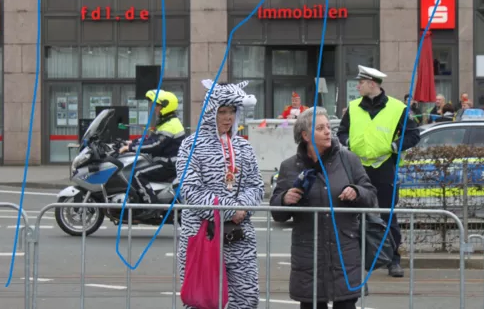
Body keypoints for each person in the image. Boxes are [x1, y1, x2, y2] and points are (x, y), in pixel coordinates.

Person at [270, 107, 377, 309]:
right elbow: (277, 213)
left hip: (344, 250)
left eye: (328, 127)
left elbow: (370, 195)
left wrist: (356, 191)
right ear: (305, 135)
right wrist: (285, 199)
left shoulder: (348, 160)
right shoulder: (290, 166)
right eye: (320, 128)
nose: (328, 131)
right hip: (309, 255)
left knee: (345, 304)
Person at [176, 79, 264, 309]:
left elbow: (256, 186)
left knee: (246, 297)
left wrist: (242, 209)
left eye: (232, 111)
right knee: (201, 297)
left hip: (238, 235)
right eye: (222, 111)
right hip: (201, 234)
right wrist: (229, 210)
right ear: (210, 112)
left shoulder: (244, 147)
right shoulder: (190, 146)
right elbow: (190, 190)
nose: (228, 117)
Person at [336, 65, 420, 278]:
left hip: (384, 167)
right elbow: (342, 132)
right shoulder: (353, 107)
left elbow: (413, 135)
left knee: (388, 215)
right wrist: (348, 143)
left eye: (361, 83)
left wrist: (394, 147)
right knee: (351, 215)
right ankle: (353, 258)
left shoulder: (397, 108)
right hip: (357, 168)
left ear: (372, 84)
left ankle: (394, 260)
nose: (357, 86)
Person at [119, 89, 185, 205]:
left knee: (137, 175)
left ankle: (151, 205)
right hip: (166, 162)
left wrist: (130, 148)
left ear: (165, 106)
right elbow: (151, 139)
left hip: (169, 165)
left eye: (157, 105)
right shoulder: (167, 122)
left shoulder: (171, 124)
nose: (155, 108)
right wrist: (131, 143)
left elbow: (155, 145)